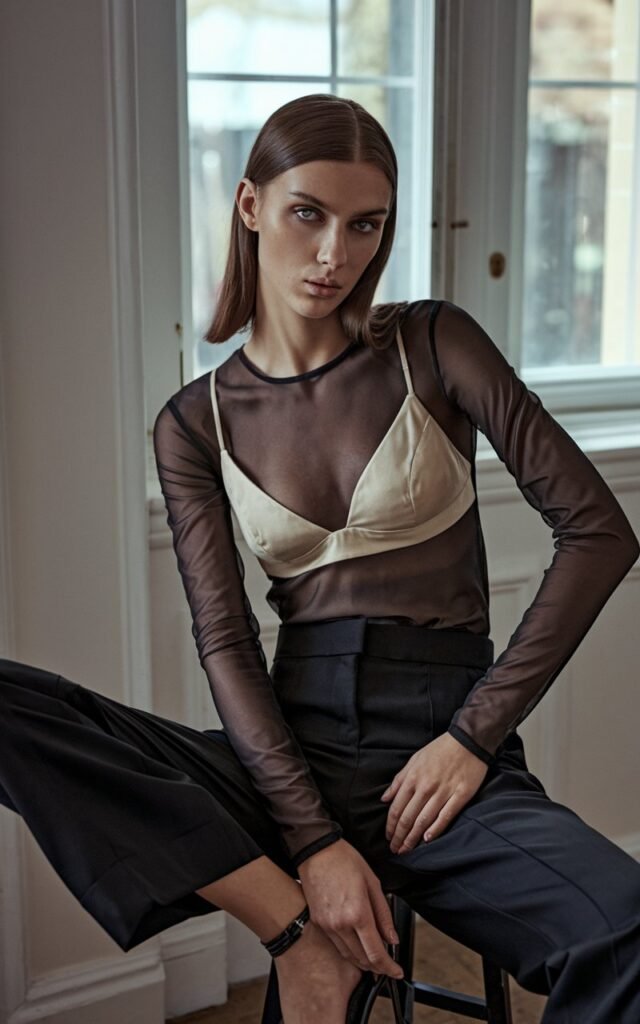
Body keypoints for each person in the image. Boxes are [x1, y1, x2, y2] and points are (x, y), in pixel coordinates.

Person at [1, 93, 639, 1024]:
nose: (338, 254)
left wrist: (471, 739)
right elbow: (226, 642)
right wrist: (313, 843)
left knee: (626, 928)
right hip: (284, 757)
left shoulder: (431, 343)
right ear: (252, 205)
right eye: (310, 213)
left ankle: (308, 929)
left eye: (365, 225)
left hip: (437, 757)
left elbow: (599, 531)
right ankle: (297, 938)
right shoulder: (192, 422)